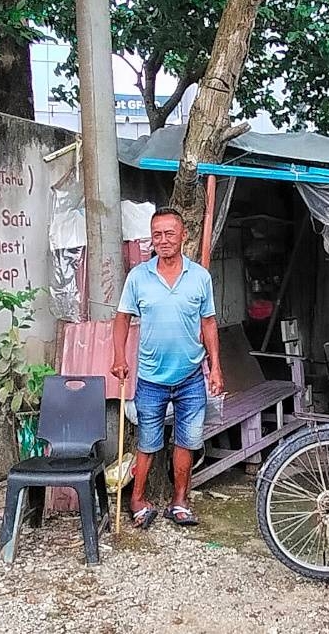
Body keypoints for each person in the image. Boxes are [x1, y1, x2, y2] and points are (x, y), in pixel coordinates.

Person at [111, 207, 223, 528]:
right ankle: (137, 500)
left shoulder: (200, 277)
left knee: (187, 441)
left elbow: (209, 323)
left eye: (169, 233)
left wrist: (215, 367)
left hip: (191, 377)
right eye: (157, 234)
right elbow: (122, 319)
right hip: (150, 377)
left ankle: (179, 502)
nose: (163, 240)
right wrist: (119, 356)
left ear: (183, 236)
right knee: (147, 442)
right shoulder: (138, 277)